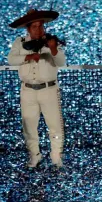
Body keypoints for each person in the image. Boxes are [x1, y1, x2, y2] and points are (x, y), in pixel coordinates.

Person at [8, 9, 66, 167]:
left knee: (54, 125)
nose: (39, 29)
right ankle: (35, 156)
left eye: (41, 26)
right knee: (29, 125)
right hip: (27, 90)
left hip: (49, 90)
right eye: (34, 26)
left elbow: (61, 62)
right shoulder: (20, 42)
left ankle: (56, 157)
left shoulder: (51, 41)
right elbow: (11, 59)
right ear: (28, 28)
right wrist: (27, 57)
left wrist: (53, 49)